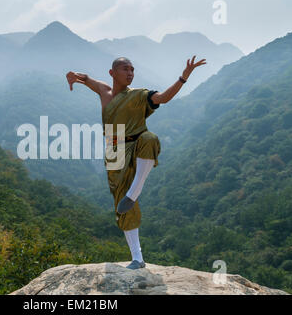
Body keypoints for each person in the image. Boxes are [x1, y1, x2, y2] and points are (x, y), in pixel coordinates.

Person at [66, 55, 206, 269]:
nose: (130, 73)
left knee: (150, 139)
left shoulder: (139, 95)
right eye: (125, 69)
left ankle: (134, 192)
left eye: (132, 69)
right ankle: (138, 258)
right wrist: (73, 76)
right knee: (121, 206)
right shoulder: (104, 91)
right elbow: (86, 78)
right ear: (112, 73)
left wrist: (183, 77)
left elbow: (164, 98)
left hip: (137, 141)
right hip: (114, 145)